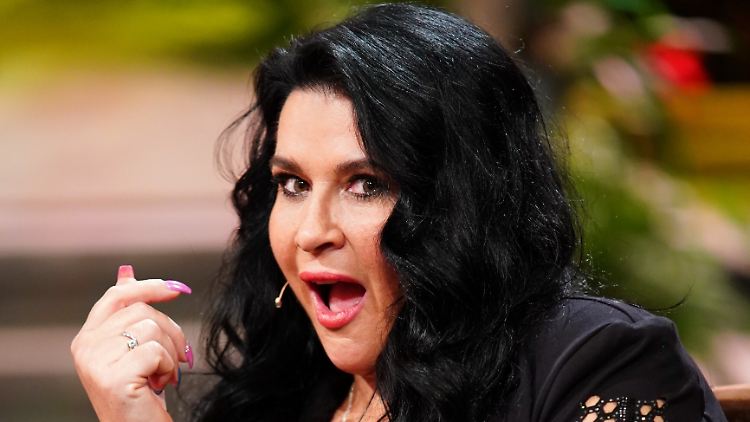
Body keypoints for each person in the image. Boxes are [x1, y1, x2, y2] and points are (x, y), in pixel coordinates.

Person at [71, 3, 727, 421]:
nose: (312, 232)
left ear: (463, 203)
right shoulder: (277, 394)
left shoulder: (601, 361)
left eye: (366, 184)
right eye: (292, 184)